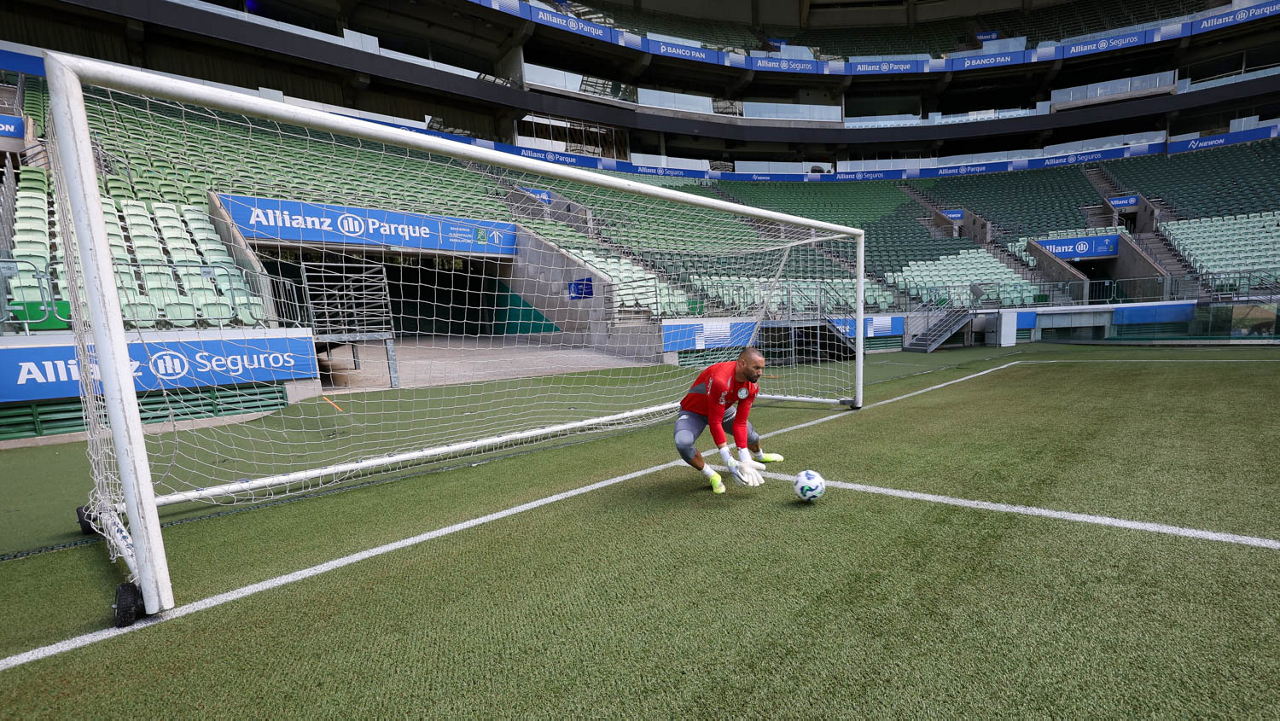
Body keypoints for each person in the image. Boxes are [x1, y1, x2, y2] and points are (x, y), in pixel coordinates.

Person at [673, 347, 784, 494]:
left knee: (752, 437)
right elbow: (715, 422)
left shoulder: (752, 386)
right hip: (693, 412)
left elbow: (740, 422)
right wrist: (729, 460)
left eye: (762, 368)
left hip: (722, 408)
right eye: (756, 368)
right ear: (742, 363)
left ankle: (760, 456)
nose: (760, 372)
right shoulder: (721, 379)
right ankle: (712, 476)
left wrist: (745, 458)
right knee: (683, 443)